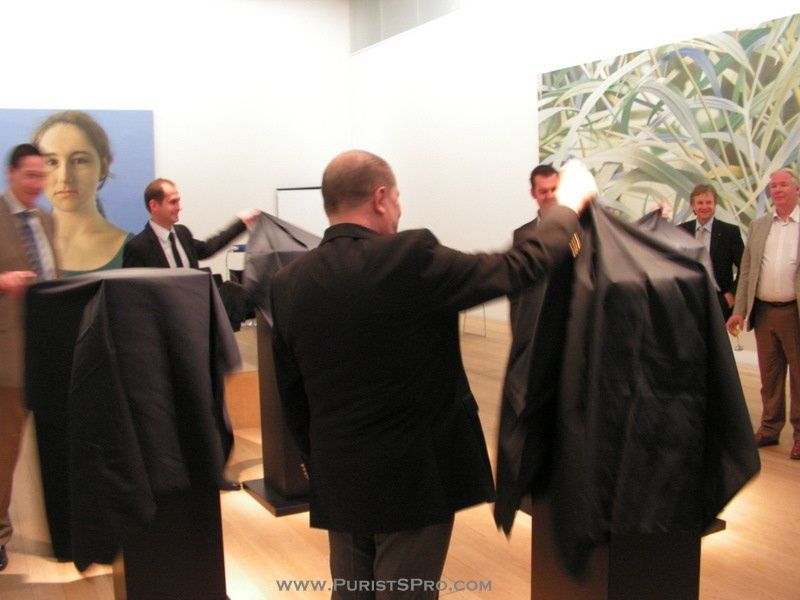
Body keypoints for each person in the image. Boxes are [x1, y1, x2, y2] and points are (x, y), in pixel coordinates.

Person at [270, 150, 593, 598]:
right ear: (380, 198)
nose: (399, 210)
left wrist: (322, 464)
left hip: (340, 478)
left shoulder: (288, 283)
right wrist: (566, 208)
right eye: (397, 198)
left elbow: (293, 397)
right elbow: (521, 266)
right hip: (414, 482)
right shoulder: (407, 258)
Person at [0, 144, 59, 571]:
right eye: (30, 176)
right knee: (5, 454)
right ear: (11, 174)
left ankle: (67, 529)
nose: (38, 184)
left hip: (49, 352)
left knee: (57, 447)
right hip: (9, 357)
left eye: (42, 176)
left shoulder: (46, 220)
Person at [727, 169, 800, 460]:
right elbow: (746, 271)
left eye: (783, 185)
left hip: (794, 313)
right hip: (765, 312)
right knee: (769, 376)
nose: (777, 190)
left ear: (796, 189)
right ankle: (769, 428)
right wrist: (739, 310)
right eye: (774, 186)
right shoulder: (759, 226)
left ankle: (799, 435)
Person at [32, 110, 131, 275]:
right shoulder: (15, 249)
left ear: (104, 166)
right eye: (51, 162)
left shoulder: (134, 251)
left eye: (79, 160)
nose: (64, 177)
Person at [122, 178, 258, 268]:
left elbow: (208, 248)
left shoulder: (182, 233)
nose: (179, 207)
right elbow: (131, 292)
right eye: (173, 202)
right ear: (154, 205)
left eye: (178, 201)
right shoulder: (137, 247)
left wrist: (241, 222)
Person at [679, 184, 744, 321]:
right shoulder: (680, 231)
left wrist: (731, 296)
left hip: (720, 301)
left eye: (709, 202)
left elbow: (745, 267)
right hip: (687, 302)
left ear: (715, 204)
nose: (704, 207)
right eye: (700, 203)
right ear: (693, 206)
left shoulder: (730, 232)